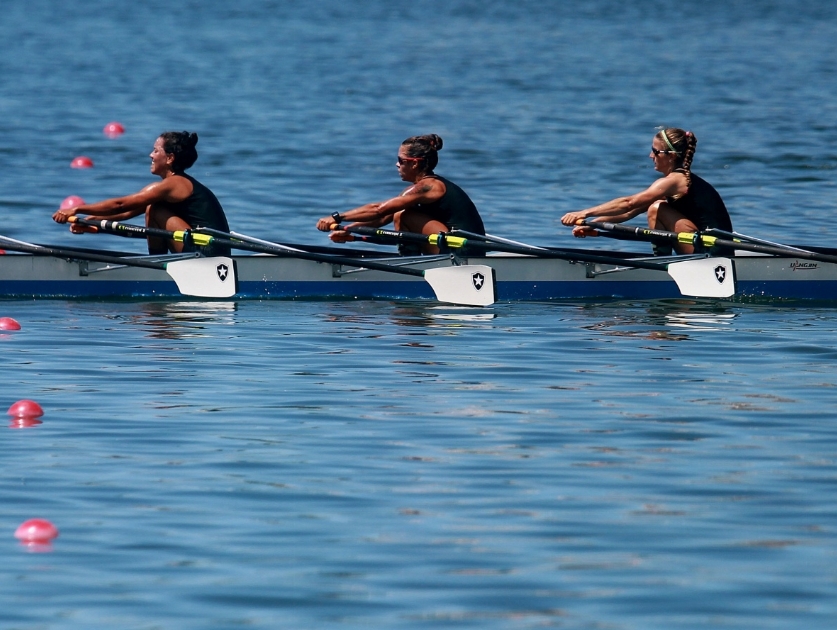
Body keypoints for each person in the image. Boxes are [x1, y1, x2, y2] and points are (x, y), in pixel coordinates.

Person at [53, 131, 231, 256]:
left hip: (209, 252)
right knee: (152, 207)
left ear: (169, 158)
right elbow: (125, 212)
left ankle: (156, 264)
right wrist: (92, 223)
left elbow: (120, 204)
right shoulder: (168, 187)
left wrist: (77, 210)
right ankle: (158, 262)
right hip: (202, 249)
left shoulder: (175, 184)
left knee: (154, 210)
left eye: (155, 150)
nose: (150, 155)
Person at [560, 128, 731, 255]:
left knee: (657, 208)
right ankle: (666, 262)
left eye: (655, 151)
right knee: (655, 206)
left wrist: (584, 212)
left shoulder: (674, 181)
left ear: (671, 156)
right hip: (708, 247)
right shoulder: (675, 183)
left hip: (712, 251)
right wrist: (591, 224)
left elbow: (628, 203)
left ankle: (661, 263)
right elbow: (629, 213)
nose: (651, 156)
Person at [315, 134, 485, 255]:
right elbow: (383, 218)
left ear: (415, 163)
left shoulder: (431, 186)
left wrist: (337, 217)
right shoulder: (414, 191)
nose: (397, 165)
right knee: (398, 211)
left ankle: (409, 260)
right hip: (451, 246)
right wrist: (349, 231)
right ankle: (415, 260)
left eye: (401, 160)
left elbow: (378, 209)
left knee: (403, 215)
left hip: (464, 250)